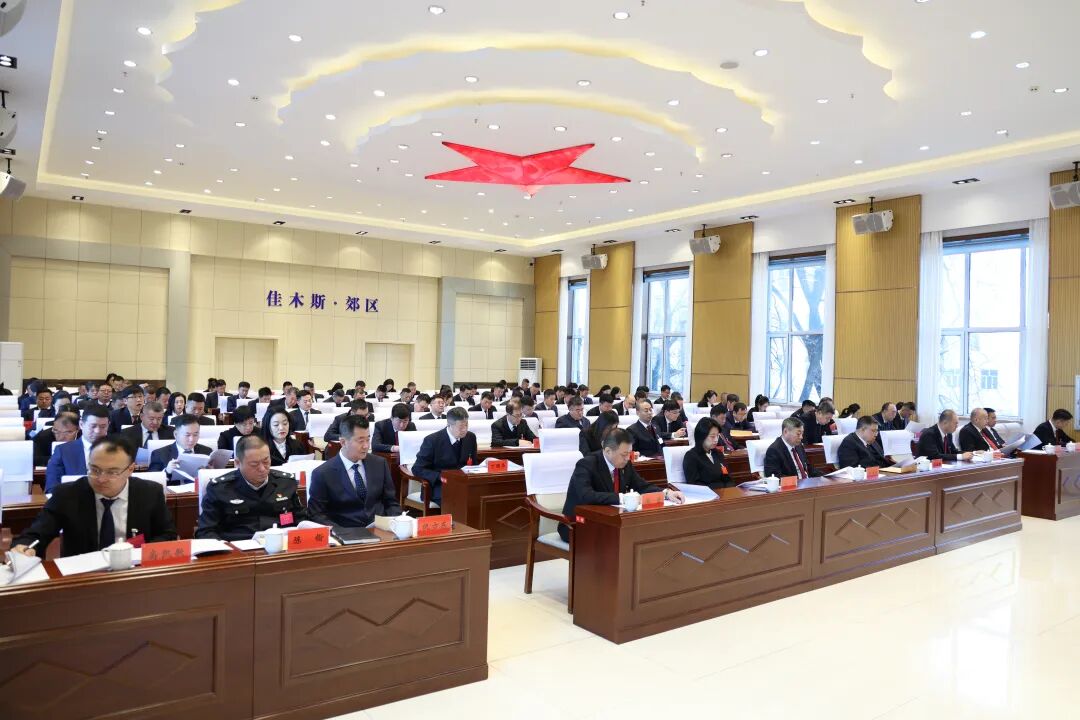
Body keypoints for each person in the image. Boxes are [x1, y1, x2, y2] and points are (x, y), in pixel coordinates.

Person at [12, 437, 177, 557]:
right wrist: (24, 547)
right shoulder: (67, 495)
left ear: (130, 470)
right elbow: (36, 534)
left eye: (112, 472)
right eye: (95, 470)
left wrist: (140, 554)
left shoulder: (150, 493)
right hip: (82, 576)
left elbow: (167, 534)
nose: (101, 479)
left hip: (133, 573)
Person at [559, 428, 685, 541]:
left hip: (610, 521)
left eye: (629, 453)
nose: (627, 458)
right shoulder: (586, 464)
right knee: (618, 540)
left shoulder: (625, 464)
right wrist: (622, 498)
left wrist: (666, 493)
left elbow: (641, 485)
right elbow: (586, 495)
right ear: (608, 451)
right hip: (578, 524)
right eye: (624, 454)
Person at [195, 435, 306, 540]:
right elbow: (206, 532)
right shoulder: (219, 489)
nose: (262, 469)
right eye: (254, 464)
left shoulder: (286, 483)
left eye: (266, 461)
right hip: (239, 548)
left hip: (281, 545)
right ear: (237, 463)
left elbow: (301, 520)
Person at [308, 416, 400, 527]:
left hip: (381, 528)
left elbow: (391, 502)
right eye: (361, 441)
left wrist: (395, 523)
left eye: (368, 439)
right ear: (343, 442)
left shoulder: (380, 464)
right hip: (345, 532)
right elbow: (316, 514)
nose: (366, 446)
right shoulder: (323, 473)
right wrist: (339, 532)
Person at [412, 407, 479, 504]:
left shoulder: (470, 437)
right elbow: (417, 469)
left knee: (481, 496)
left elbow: (474, 463)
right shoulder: (432, 440)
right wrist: (439, 477)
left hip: (464, 483)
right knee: (458, 499)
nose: (465, 430)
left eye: (466, 425)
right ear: (449, 425)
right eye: (461, 427)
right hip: (439, 486)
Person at [45, 405, 111, 493]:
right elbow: (51, 488)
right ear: (81, 424)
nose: (97, 431)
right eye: (93, 426)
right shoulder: (63, 451)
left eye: (103, 427)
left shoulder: (117, 451)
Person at [150, 414, 214, 479]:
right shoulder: (159, 454)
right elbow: (152, 481)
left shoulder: (207, 452)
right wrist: (167, 472)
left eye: (195, 435)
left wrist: (210, 473)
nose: (191, 439)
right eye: (187, 435)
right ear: (176, 434)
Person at [682, 418, 732, 489]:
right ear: (701, 436)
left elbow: (727, 478)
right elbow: (695, 484)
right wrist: (720, 487)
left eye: (717, 436)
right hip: (706, 494)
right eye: (712, 436)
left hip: (724, 493)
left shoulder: (718, 453)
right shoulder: (691, 456)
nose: (716, 440)